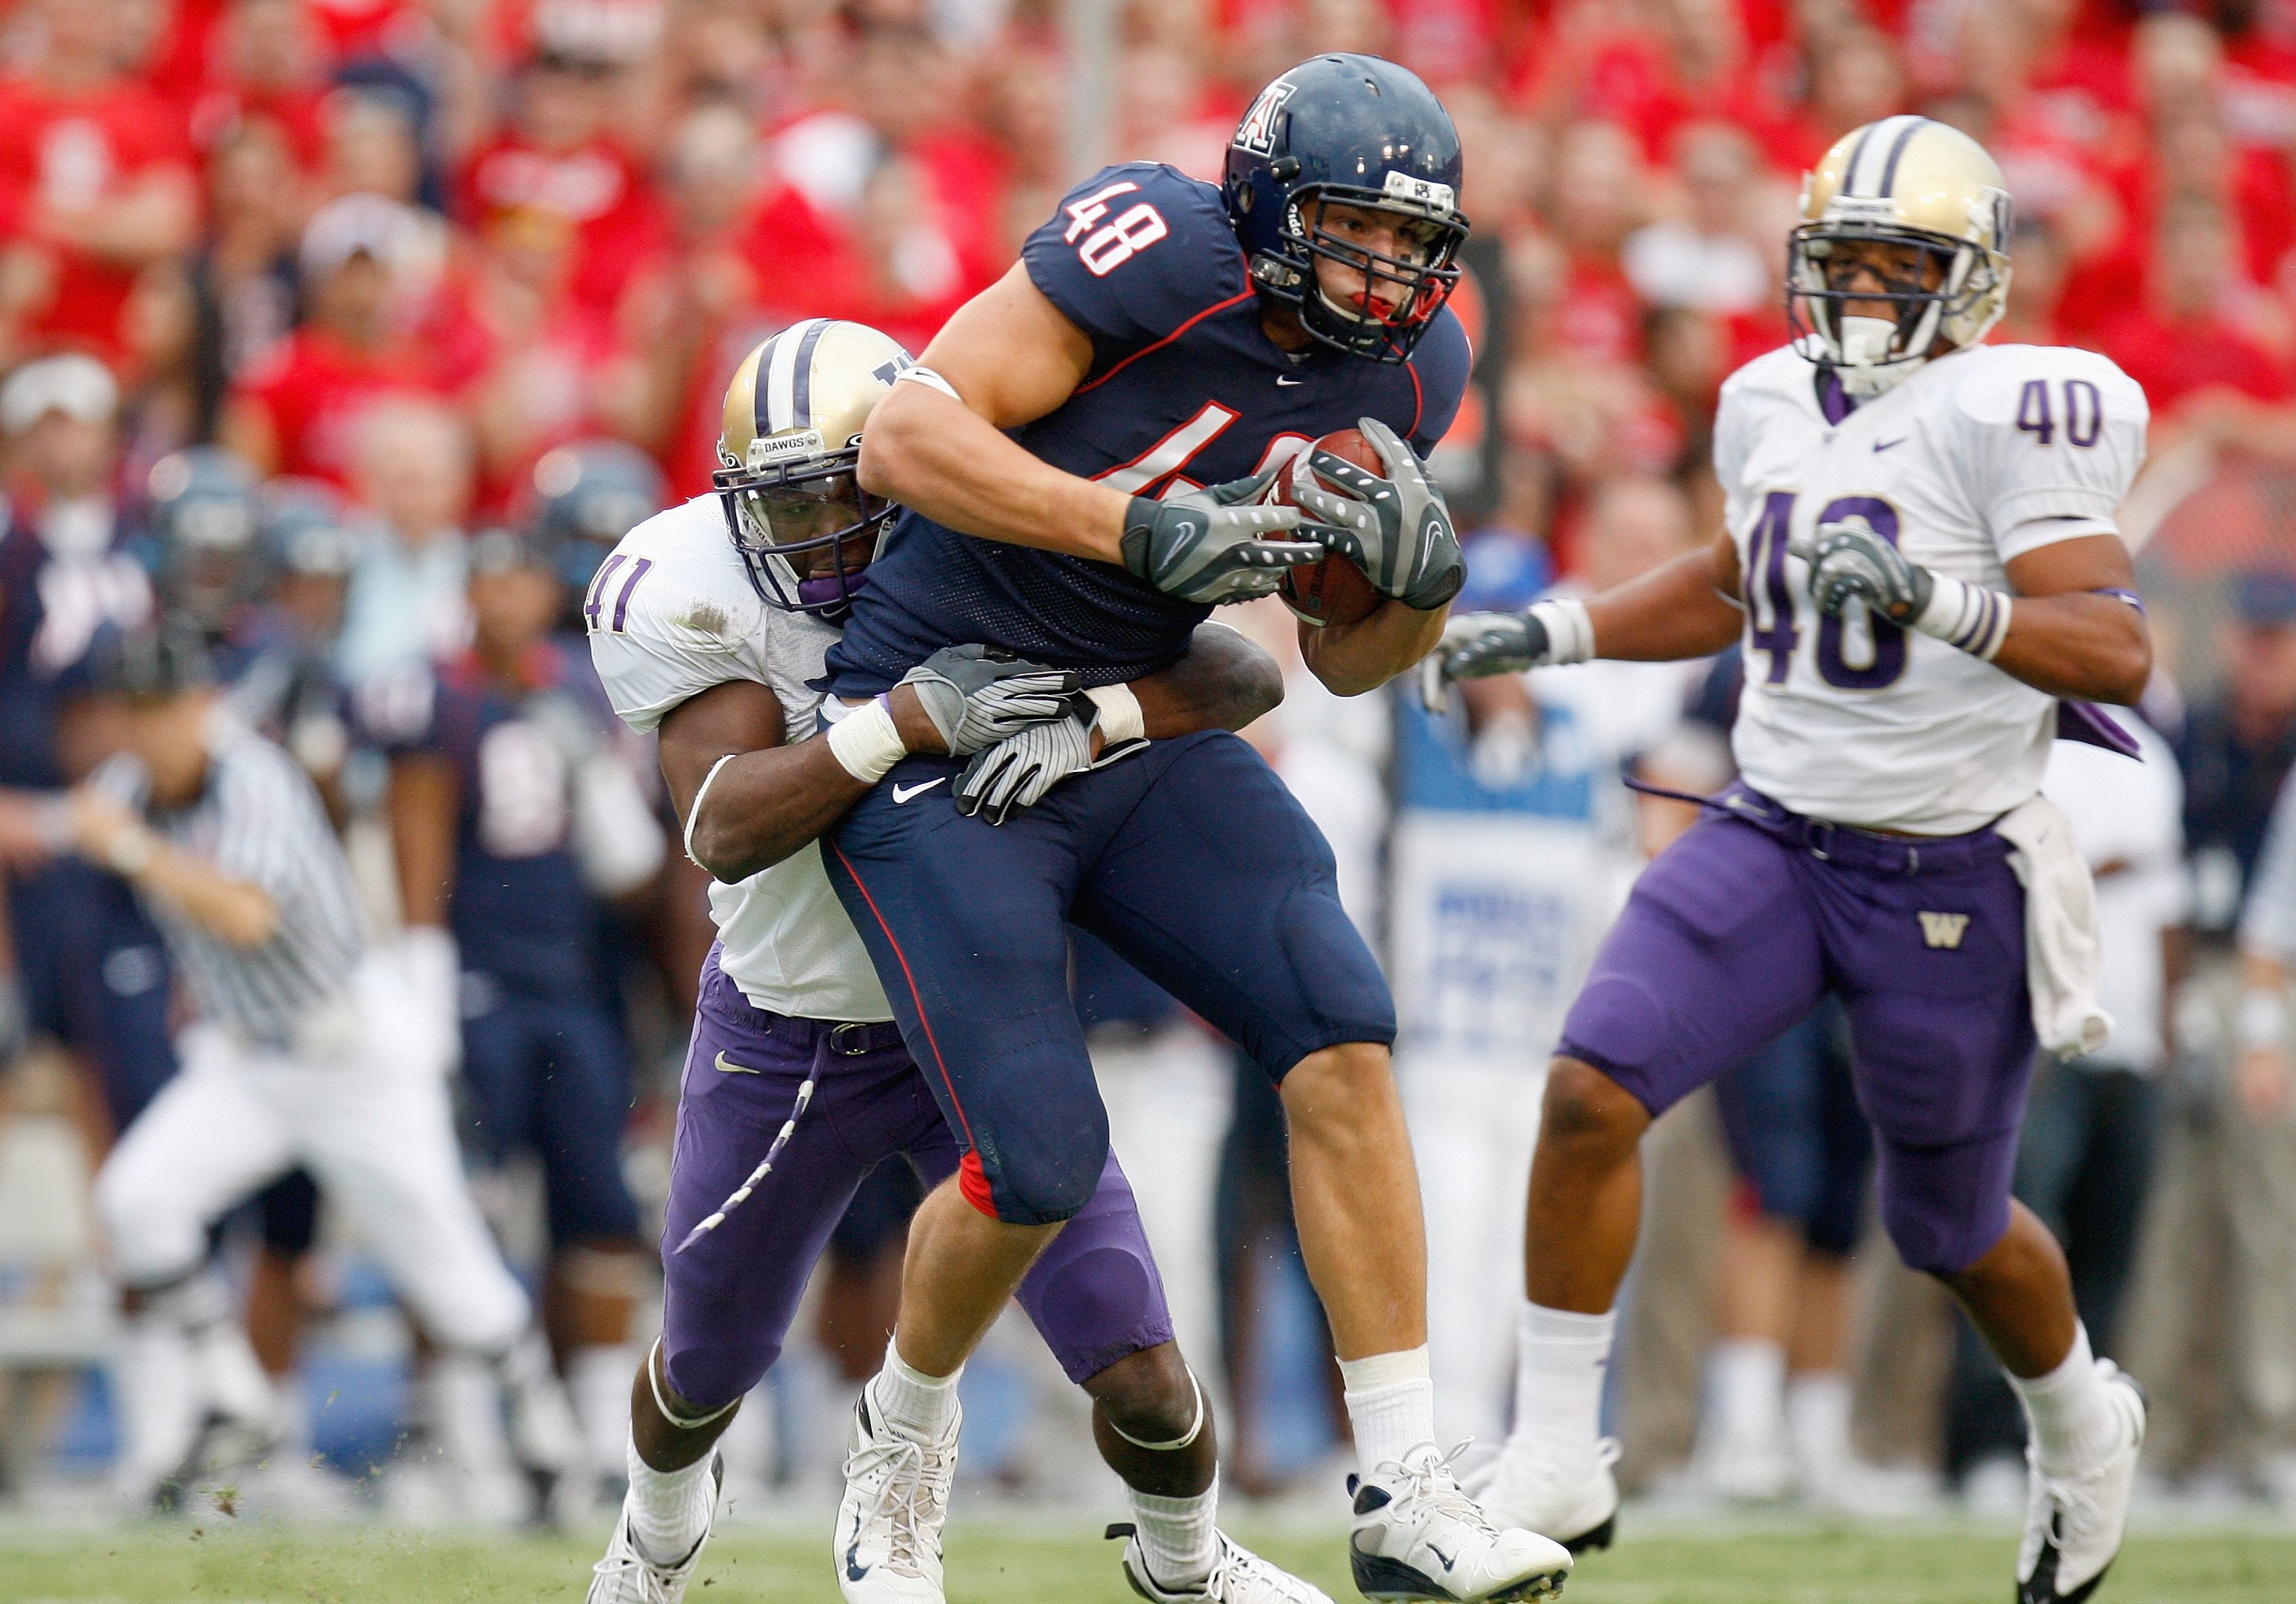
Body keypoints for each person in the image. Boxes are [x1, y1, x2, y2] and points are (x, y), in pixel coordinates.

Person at [821, 54, 1570, 1603]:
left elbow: (1354, 667)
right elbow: (907, 437)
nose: (1388, 275)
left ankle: (1407, 1487)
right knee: (1034, 1159)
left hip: (1133, 717)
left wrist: (1415, 596)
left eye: (1413, 247)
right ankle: (901, 1441)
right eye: (1355, 233)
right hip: (947, 712)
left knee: (1341, 1018)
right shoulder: (1155, 247)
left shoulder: (1419, 376)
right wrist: (1134, 526)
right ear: (1267, 208)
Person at [1427, 116, 2154, 1603]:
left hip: (1946, 867)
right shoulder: (1765, 397)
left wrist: (1939, 603)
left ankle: (2081, 1418)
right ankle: (1557, 1453)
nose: (1874, 292)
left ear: (1979, 284)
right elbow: (1727, 580)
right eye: (1849, 262)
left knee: (1946, 1228)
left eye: (1908, 265)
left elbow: (2119, 647)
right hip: (1773, 827)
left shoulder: (2020, 410)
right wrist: (1551, 630)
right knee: (1588, 1089)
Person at [583, 320, 1331, 1604]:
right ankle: (653, 1536)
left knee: (1144, 1368)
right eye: (785, 499)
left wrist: (1098, 717)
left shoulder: (996, 530)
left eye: (839, 492)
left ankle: (1188, 1565)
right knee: (705, 1362)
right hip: (795, 1021)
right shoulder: (687, 583)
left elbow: (1239, 672)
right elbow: (721, 826)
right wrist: (897, 724)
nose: (814, 530)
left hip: (973, 1017)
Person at [70, 616, 582, 1517]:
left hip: (352, 1056)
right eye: (137, 709)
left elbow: (247, 914)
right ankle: (234, 1397)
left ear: (203, 702)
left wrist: (126, 847)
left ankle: (548, 1440)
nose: (154, 728)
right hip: (249, 1060)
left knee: (450, 1272)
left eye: (168, 706)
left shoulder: (251, 778)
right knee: (136, 1200)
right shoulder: (130, 787)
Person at [362, 527, 663, 1502]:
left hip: (571, 982)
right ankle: (448, 1432)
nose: (503, 595)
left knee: (599, 1212)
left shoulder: (577, 689)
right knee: (460, 1205)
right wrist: (422, 974)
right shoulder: (435, 694)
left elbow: (627, 871)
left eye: (518, 576)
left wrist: (601, 780)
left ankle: (585, 1427)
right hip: (477, 980)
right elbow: (412, 832)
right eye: (486, 576)